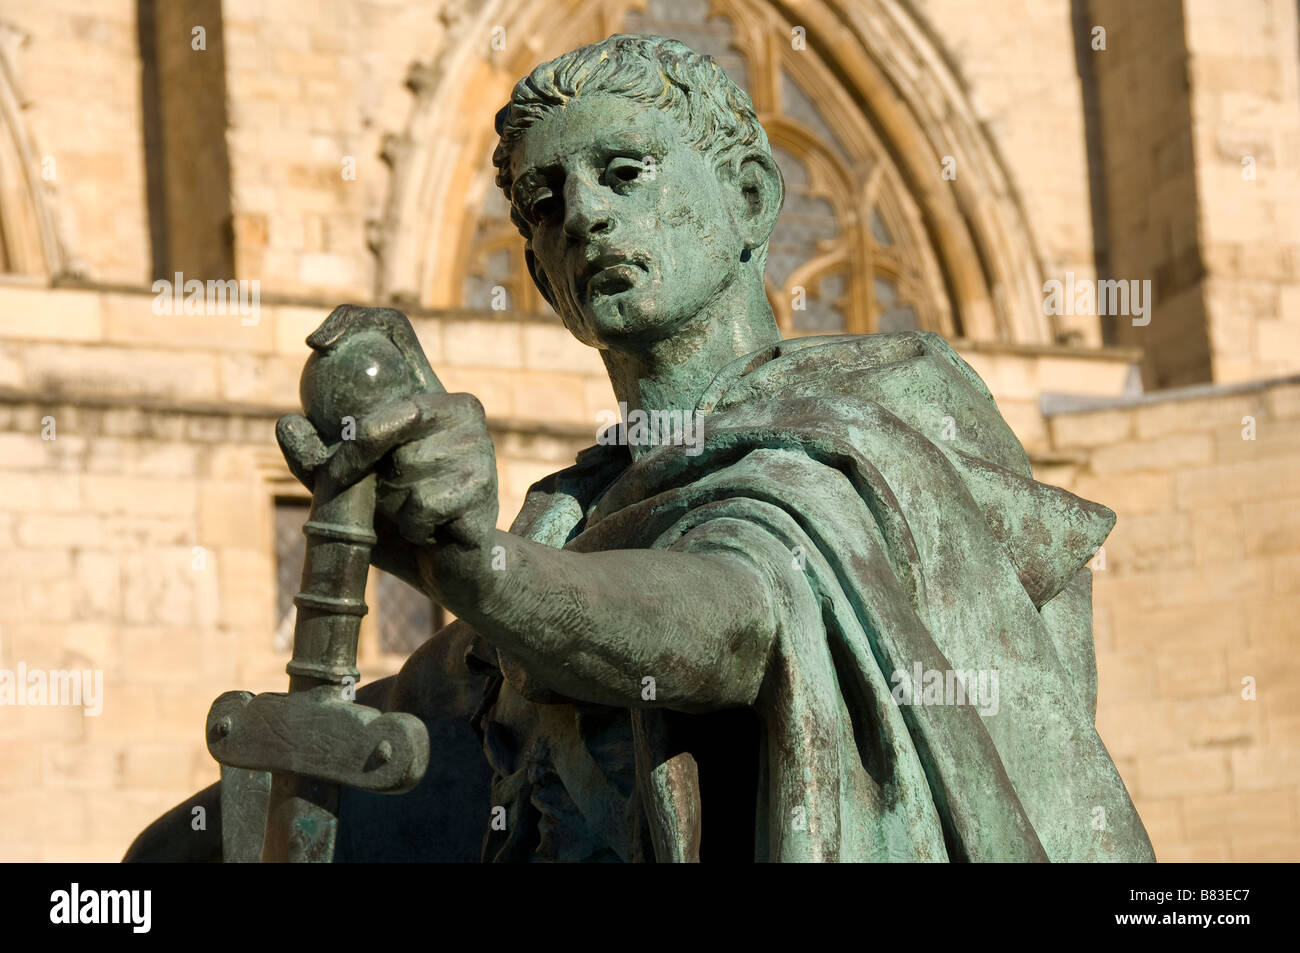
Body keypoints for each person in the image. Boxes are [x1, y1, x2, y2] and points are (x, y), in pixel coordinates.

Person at [126, 34, 1153, 863]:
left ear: (749, 198)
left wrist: (477, 567)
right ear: (538, 275)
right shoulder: (570, 515)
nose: (586, 214)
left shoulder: (878, 417)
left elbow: (734, 619)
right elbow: (428, 747)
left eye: (623, 171)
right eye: (546, 202)